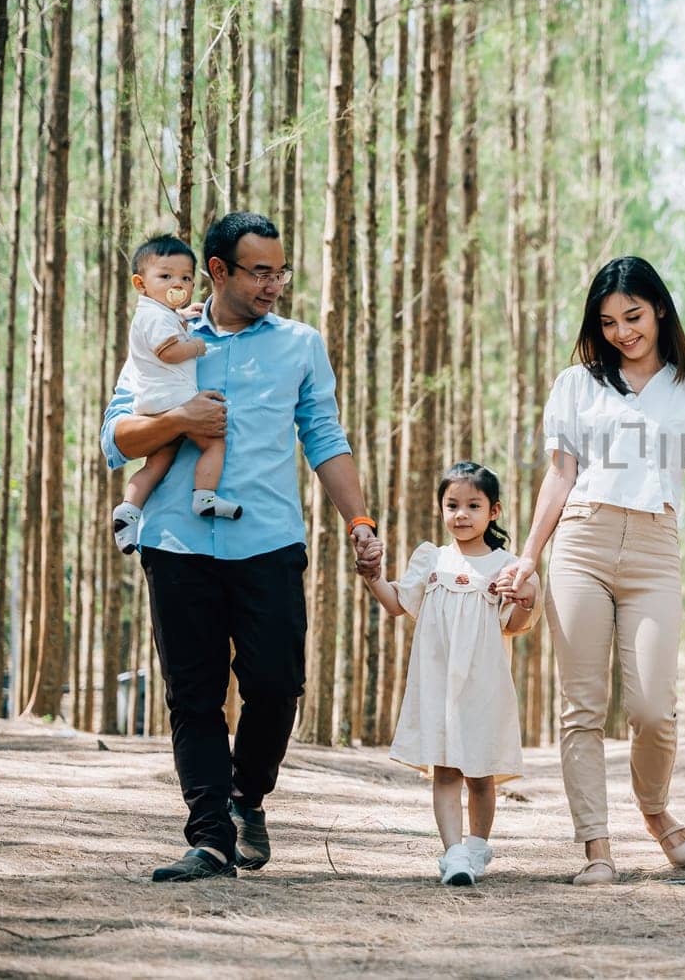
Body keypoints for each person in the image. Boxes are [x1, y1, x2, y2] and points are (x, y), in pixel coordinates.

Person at [100, 211, 383, 882]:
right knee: (192, 695)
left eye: (280, 270)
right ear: (219, 270)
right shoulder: (161, 336)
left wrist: (360, 522)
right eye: (259, 270)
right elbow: (116, 438)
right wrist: (177, 419)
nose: (274, 283)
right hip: (175, 539)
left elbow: (325, 437)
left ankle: (245, 796)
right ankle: (210, 838)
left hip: (269, 539)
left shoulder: (300, 344)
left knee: (276, 683)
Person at [496, 255, 685, 887]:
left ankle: (655, 812)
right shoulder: (577, 384)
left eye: (633, 316)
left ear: (659, 310)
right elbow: (560, 477)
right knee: (583, 707)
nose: (623, 332)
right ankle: (597, 847)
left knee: (653, 707)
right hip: (582, 542)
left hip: (655, 548)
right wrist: (529, 556)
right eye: (608, 321)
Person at [361, 462, 537, 886]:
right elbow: (396, 604)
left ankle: (476, 847)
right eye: (452, 504)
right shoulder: (432, 559)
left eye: (473, 505)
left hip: (483, 685)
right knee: (444, 770)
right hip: (438, 683)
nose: (461, 514)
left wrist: (526, 596)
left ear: (493, 512)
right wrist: (372, 578)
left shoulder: (507, 565)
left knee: (480, 773)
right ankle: (454, 853)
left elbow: (512, 625)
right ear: (441, 508)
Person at [110, 234, 243, 553]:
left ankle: (129, 510)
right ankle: (204, 496)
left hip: (152, 404)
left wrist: (182, 316)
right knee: (213, 442)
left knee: (157, 463)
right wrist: (195, 346)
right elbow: (168, 350)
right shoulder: (156, 317)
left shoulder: (156, 313)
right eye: (166, 276)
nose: (178, 283)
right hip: (173, 401)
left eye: (186, 277)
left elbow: (164, 325)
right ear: (141, 284)